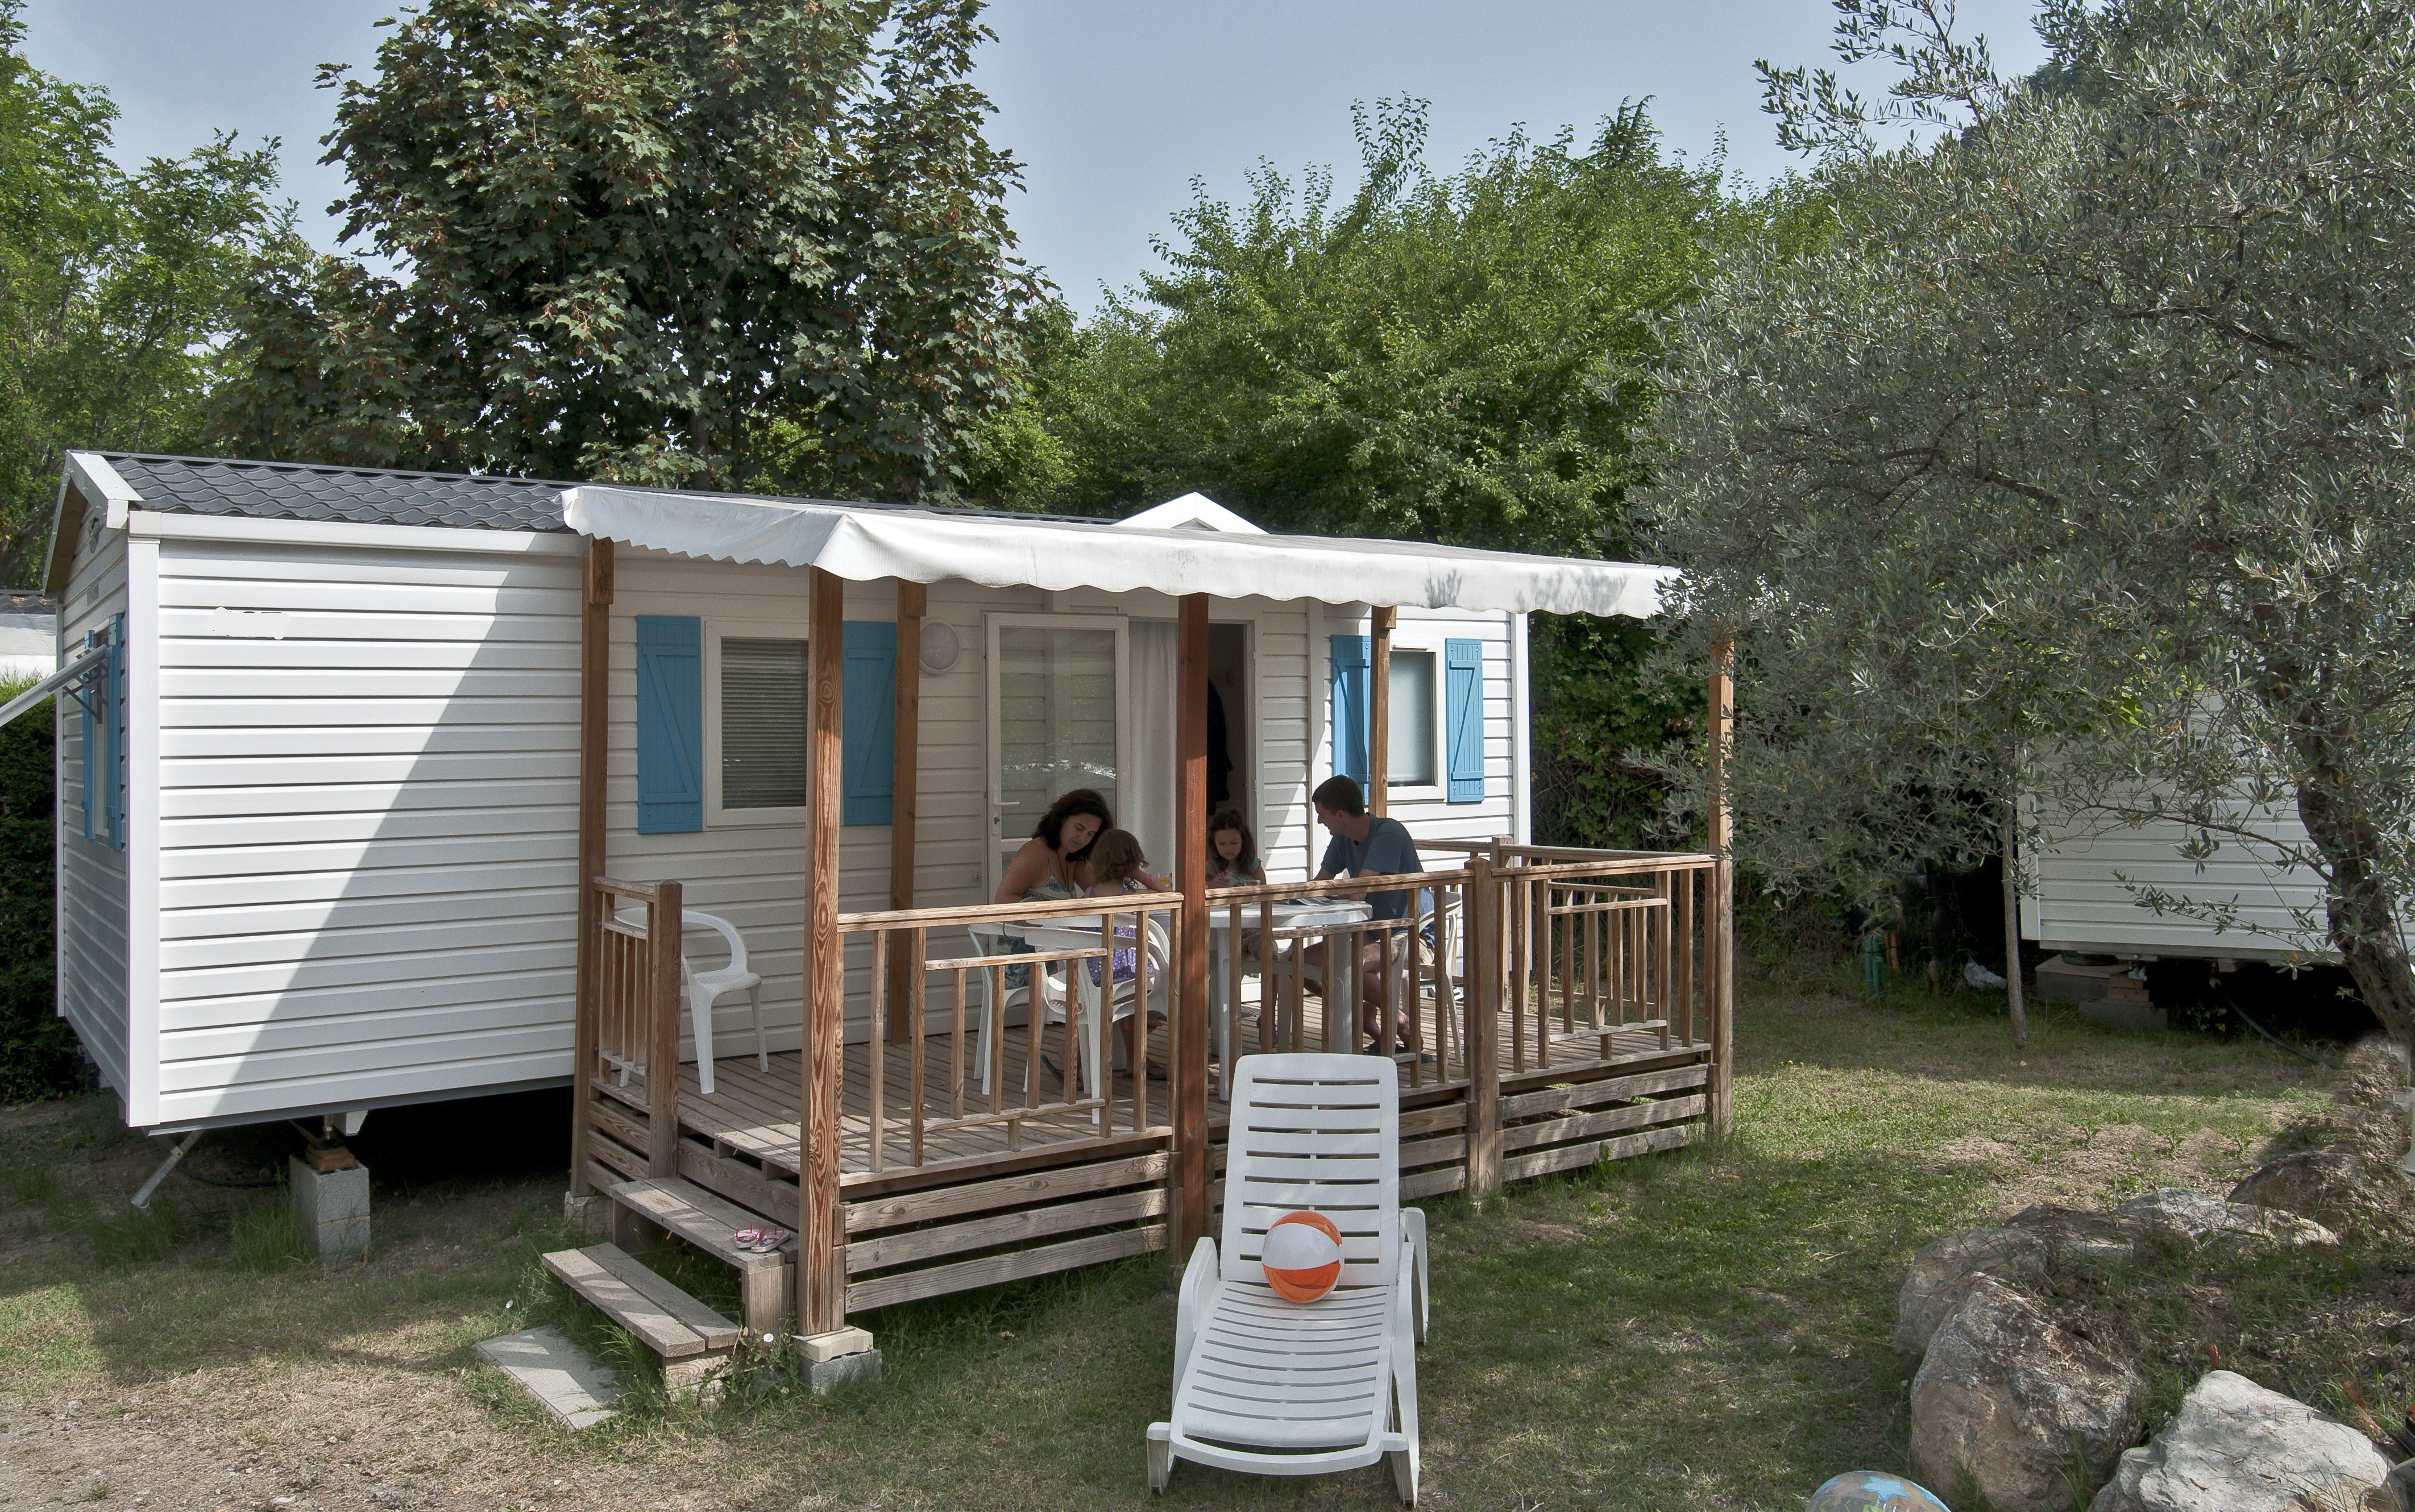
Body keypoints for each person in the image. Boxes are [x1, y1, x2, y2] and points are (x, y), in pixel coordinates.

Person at [1309, 775, 1422, 1049]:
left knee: (1348, 965)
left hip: (1407, 933)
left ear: (1340, 815)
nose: (1320, 821)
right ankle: (1372, 1019)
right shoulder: (1342, 838)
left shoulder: (1388, 834)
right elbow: (1319, 884)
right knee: (1299, 964)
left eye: (1322, 815)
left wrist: (1330, 892)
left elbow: (1358, 892)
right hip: (1370, 931)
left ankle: (1399, 1022)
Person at [993, 788, 1112, 990]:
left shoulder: (1073, 859)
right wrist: (1052, 917)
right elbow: (1002, 900)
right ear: (1062, 819)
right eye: (1079, 828)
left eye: (1091, 835)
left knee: (1111, 970)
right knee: (1101, 976)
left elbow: (1104, 890)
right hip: (1024, 962)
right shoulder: (1036, 853)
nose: (1082, 838)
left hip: (1056, 958)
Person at [1075, 828, 1165, 1081]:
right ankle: (1140, 1032)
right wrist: (1142, 876)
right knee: (1153, 974)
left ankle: (1080, 1067)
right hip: (1122, 972)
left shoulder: (1090, 892)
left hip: (1092, 971)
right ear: (1133, 862)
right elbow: (1168, 897)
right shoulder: (1131, 896)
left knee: (1137, 977)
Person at [1207, 808, 1267, 888]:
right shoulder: (1210, 868)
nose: (1228, 848)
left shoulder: (1254, 868)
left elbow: (1265, 894)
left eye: (1234, 843)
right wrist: (1212, 886)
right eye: (1222, 844)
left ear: (1244, 841)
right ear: (1214, 843)